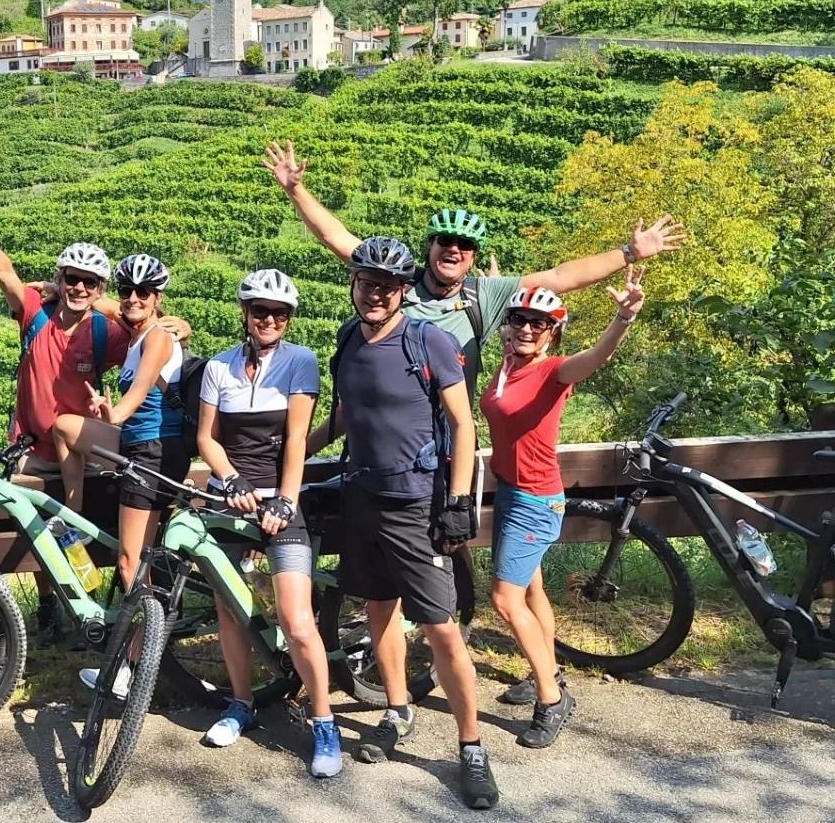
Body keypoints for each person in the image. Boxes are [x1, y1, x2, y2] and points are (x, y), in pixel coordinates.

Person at [304, 236, 497, 809]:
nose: (376, 294)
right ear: (354, 284)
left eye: (387, 287)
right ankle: (397, 709)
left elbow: (463, 425)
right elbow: (343, 415)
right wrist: (287, 458)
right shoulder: (347, 340)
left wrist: (458, 501)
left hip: (416, 502)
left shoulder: (428, 341)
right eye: (367, 283)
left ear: (403, 292)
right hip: (362, 495)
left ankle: (472, 747)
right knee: (378, 609)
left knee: (439, 627)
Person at [260, 140, 686, 397]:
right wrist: (296, 191)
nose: (454, 250)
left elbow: (561, 277)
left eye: (464, 246)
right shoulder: (397, 282)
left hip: (447, 432)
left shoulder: (484, 296)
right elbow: (338, 239)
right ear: (430, 247)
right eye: (445, 242)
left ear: (474, 258)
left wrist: (629, 252)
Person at [482, 271, 645, 747]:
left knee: (504, 601)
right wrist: (497, 290)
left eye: (540, 323)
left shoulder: (552, 371)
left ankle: (552, 700)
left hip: (535, 500)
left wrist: (623, 318)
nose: (527, 329)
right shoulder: (507, 365)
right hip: (511, 491)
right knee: (530, 593)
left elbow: (597, 357)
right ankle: (545, 669)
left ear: (554, 331)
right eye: (519, 319)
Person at [0, 186, 132, 643]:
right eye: (72, 278)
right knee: (38, 524)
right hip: (32, 445)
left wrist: (178, 324)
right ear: (60, 277)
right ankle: (48, 607)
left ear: (100, 290)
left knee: (70, 523)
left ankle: (84, 605)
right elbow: (4, 273)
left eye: (89, 283)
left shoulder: (104, 331)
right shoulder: (35, 313)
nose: (78, 288)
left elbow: (147, 334)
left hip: (81, 449)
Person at [196, 269, 341, 779]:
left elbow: (298, 439)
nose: (270, 320)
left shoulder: (299, 362)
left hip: (282, 502)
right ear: (246, 313)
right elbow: (208, 439)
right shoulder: (219, 367)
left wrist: (284, 500)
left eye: (279, 313)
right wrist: (231, 481)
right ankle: (241, 704)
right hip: (230, 502)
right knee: (230, 611)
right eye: (260, 311)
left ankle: (323, 720)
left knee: (297, 621)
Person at [52, 255, 190, 694]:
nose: (133, 297)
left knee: (131, 564)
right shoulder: (136, 334)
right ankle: (74, 518)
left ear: (158, 299)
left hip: (151, 452)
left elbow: (141, 390)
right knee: (64, 426)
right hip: (137, 445)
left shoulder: (156, 341)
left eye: (143, 292)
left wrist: (116, 411)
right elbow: (97, 300)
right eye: (127, 289)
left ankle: (134, 671)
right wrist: (56, 287)